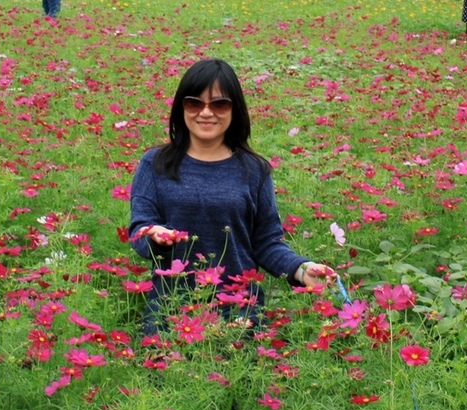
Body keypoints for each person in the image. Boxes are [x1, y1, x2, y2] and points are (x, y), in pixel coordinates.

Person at [128, 58, 336, 334]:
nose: (206, 113)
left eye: (219, 104)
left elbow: (265, 242)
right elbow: (139, 230)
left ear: (234, 109)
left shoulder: (254, 169)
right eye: (194, 103)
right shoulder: (155, 163)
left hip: (238, 309)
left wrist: (301, 270)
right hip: (171, 307)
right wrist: (154, 236)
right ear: (181, 108)